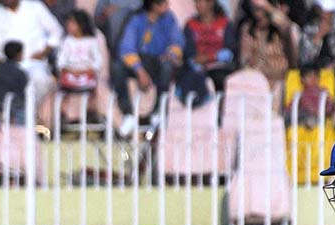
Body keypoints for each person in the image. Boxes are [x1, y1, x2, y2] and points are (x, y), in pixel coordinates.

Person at [112, 0, 185, 137]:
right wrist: (139, 70)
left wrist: (170, 54)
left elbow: (177, 42)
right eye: (163, 3)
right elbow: (127, 48)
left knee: (168, 67)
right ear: (154, 5)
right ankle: (128, 113)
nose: (167, 6)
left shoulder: (169, 19)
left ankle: (159, 110)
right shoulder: (136, 20)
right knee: (117, 67)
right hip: (139, 62)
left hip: (159, 61)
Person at [0, 0, 64, 106]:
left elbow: (56, 31)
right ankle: (19, 116)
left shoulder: (35, 7)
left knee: (41, 80)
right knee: (4, 90)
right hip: (9, 67)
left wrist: (44, 51)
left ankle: (33, 113)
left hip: (35, 62)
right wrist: (4, 61)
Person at [179, 0, 237, 107]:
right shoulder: (190, 25)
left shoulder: (225, 24)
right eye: (195, 2)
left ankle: (220, 111)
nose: (197, 5)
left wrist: (210, 57)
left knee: (220, 77)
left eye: (200, 2)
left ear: (210, 3)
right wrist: (198, 60)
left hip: (219, 67)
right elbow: (189, 54)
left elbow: (229, 52)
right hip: (197, 67)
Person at [57, 9, 103, 119]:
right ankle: (63, 116)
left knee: (96, 89)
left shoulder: (91, 41)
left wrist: (85, 71)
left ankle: (92, 113)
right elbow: (61, 61)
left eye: (72, 23)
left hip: (86, 74)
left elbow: (98, 62)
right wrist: (71, 70)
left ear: (81, 25)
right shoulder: (67, 41)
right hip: (70, 74)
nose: (68, 26)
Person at [284, 63, 335, 129]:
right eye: (309, 76)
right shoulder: (300, 93)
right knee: (290, 116)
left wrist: (329, 109)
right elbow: (290, 108)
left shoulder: (323, 92)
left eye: (316, 76)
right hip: (305, 114)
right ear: (302, 80)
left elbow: (330, 104)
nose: (313, 79)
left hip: (321, 114)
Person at [0, 40, 28, 123]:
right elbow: (24, 91)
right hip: (17, 109)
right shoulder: (20, 73)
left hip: (0, 107)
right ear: (18, 54)